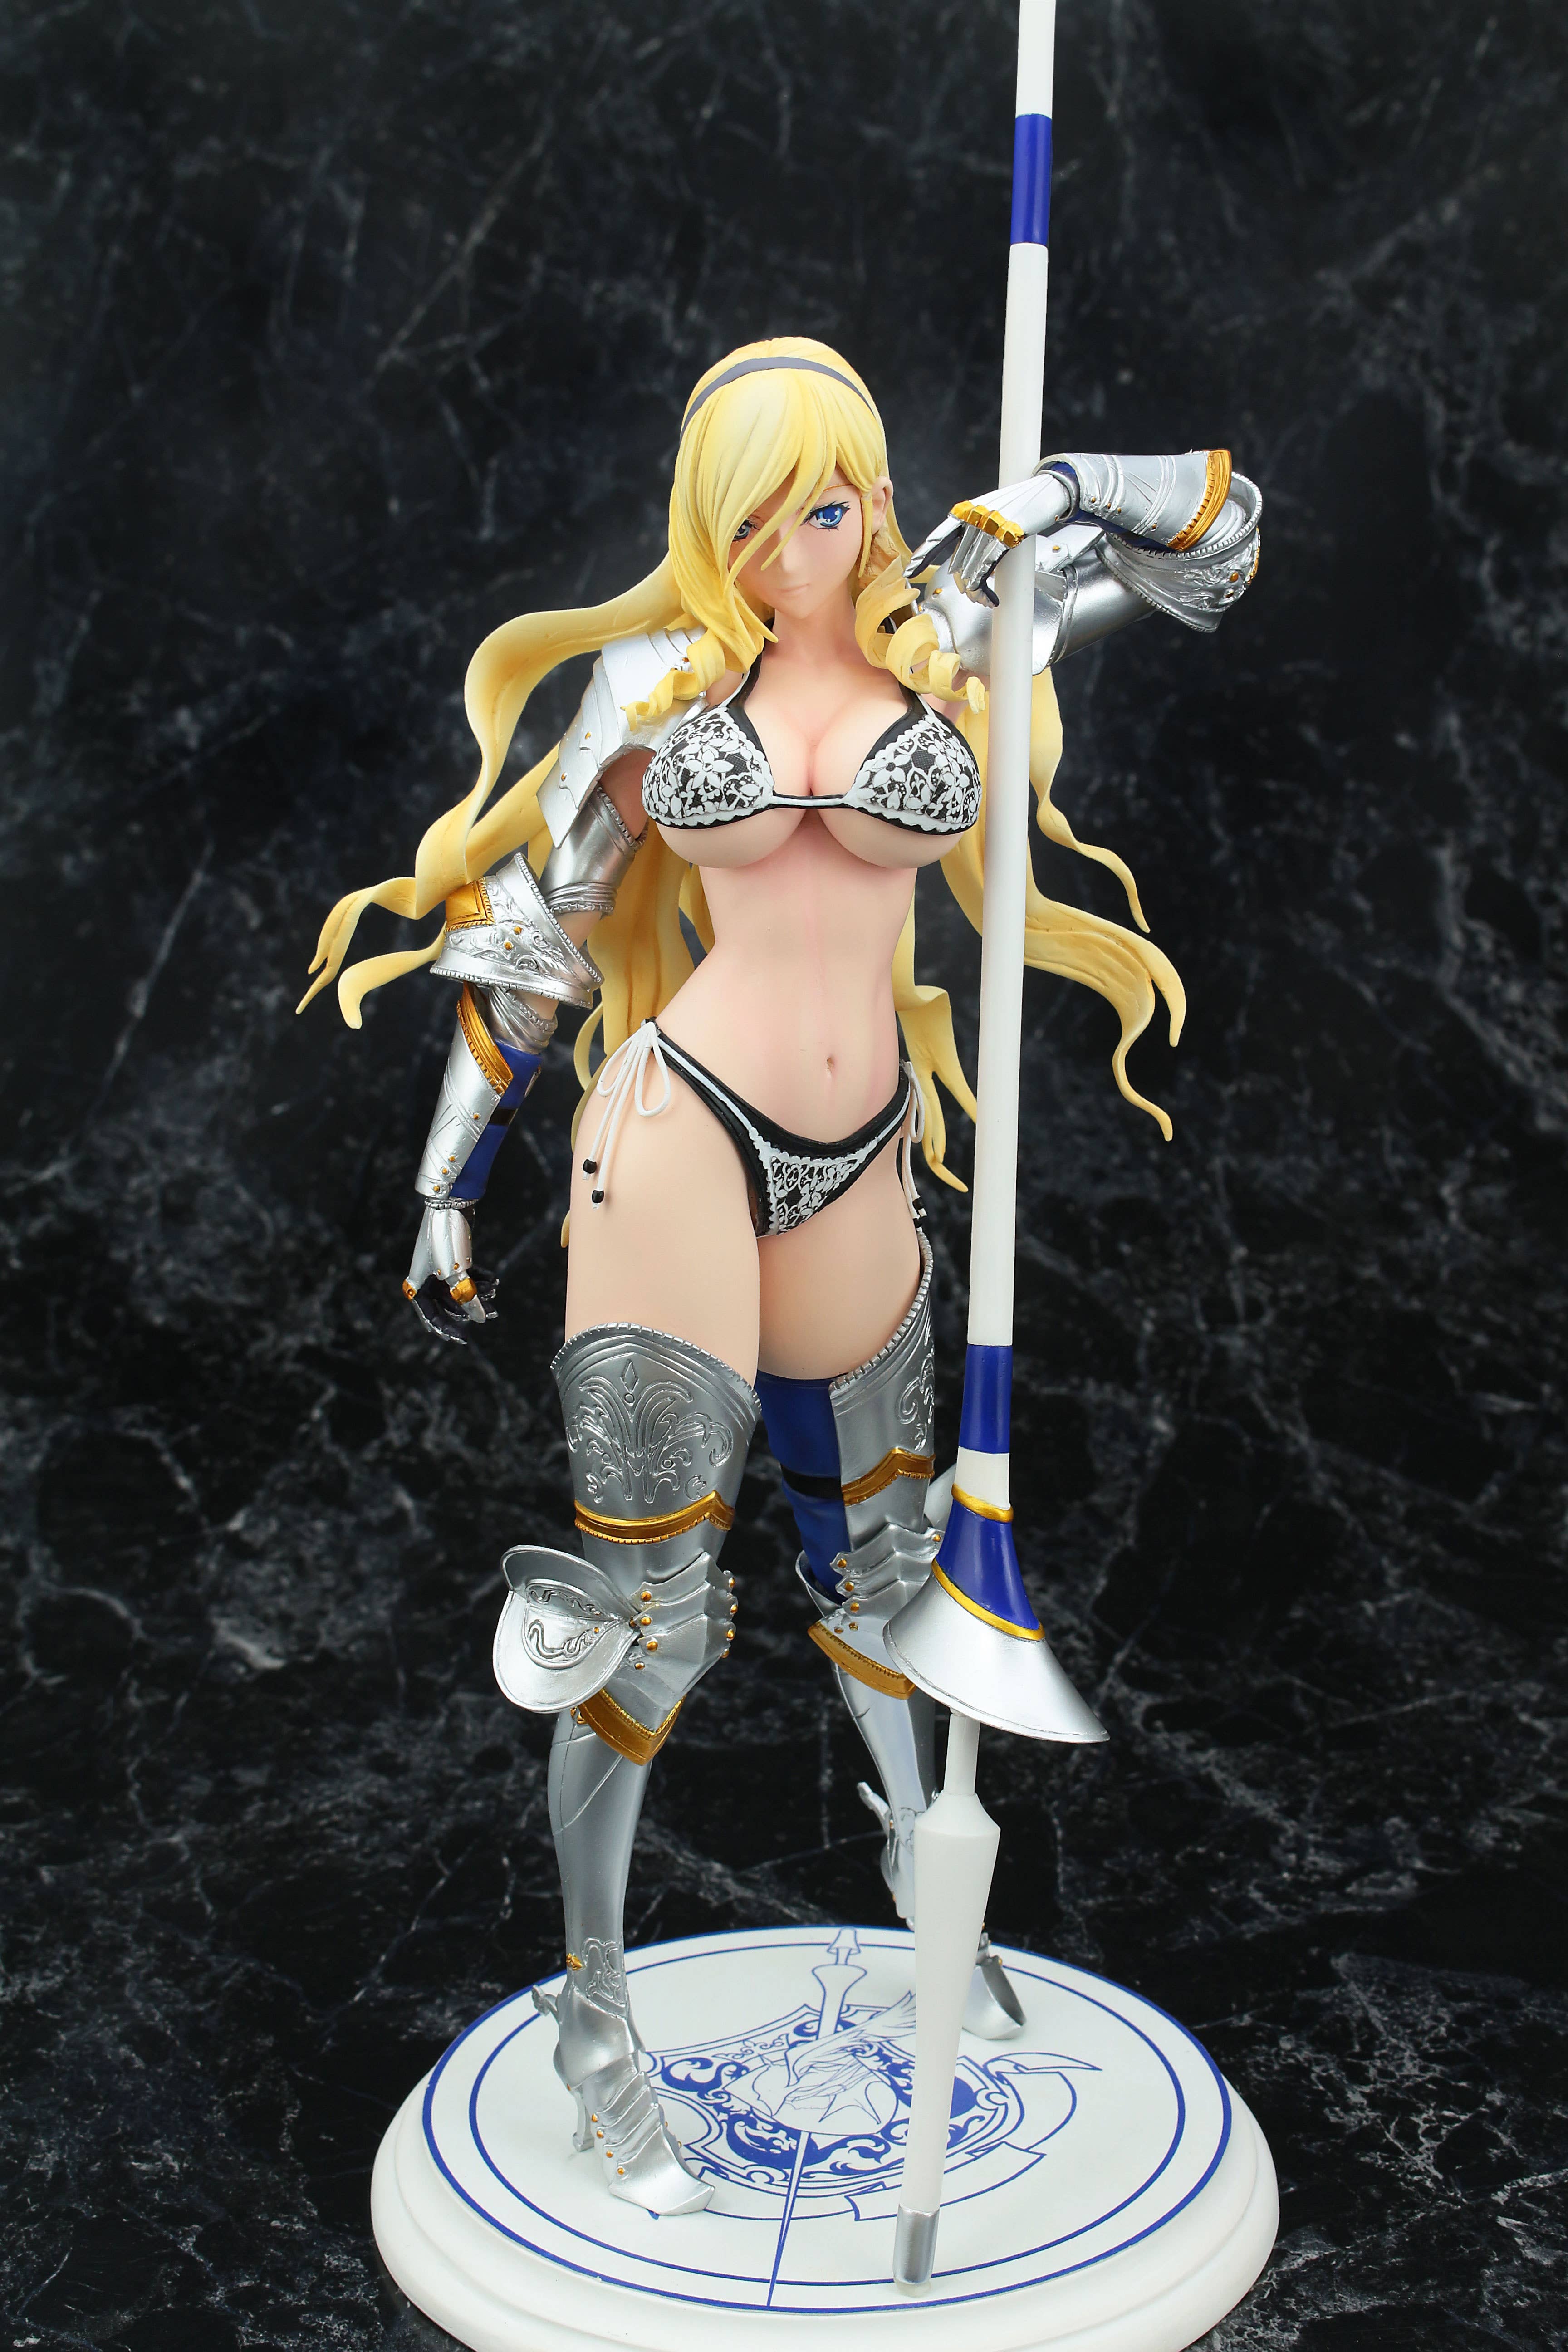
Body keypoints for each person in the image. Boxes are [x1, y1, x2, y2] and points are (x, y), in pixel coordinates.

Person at [302, 336, 1261, 2216]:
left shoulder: (957, 630)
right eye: (772, 511)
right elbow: (540, 933)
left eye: (838, 495)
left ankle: (926, 1875)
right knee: (650, 1624)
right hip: (679, 1142)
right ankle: (596, 2023)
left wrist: (1060, 494)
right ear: (719, 526)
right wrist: (445, 1177)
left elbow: (1221, 545)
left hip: (862, 1160)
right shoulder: (658, 684)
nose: (817, 535)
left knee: (890, 1581)